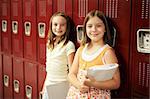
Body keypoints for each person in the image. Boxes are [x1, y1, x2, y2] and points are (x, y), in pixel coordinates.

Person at [66, 10, 120, 99]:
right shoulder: (81, 50)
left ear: (105, 28)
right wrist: (79, 85)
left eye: (98, 26)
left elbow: (116, 83)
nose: (94, 29)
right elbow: (71, 74)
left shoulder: (107, 52)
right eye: (90, 26)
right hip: (76, 95)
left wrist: (92, 84)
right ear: (85, 29)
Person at [42, 12, 76, 99]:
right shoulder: (49, 43)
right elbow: (49, 68)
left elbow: (72, 70)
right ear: (51, 26)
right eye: (55, 24)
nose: (58, 28)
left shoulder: (69, 45)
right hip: (48, 85)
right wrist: (44, 86)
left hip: (61, 85)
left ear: (67, 27)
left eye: (62, 25)